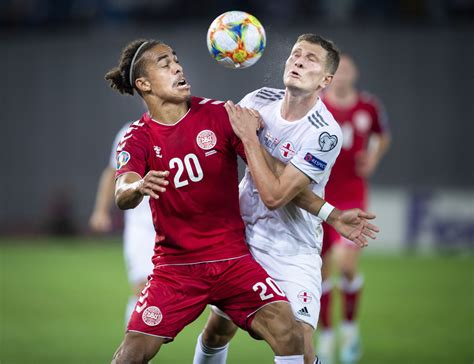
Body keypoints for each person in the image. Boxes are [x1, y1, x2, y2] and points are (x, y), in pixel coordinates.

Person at [105, 39, 377, 364]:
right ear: (144, 84)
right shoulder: (137, 136)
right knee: (135, 353)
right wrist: (136, 189)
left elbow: (278, 185)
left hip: (240, 256)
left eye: (176, 59)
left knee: (292, 336)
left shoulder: (221, 115)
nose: (177, 66)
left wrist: (329, 214)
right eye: (165, 63)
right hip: (178, 268)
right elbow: (123, 189)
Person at [193, 34, 377, 364]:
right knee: (217, 330)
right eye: (295, 54)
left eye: (310, 59)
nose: (298, 61)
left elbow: (276, 194)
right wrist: (333, 215)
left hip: (292, 249)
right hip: (243, 239)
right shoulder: (258, 99)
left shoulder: (324, 132)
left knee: (301, 343)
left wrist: (250, 137)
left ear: (326, 80)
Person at [317, 54, 391, 364]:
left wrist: (374, 157)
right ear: (329, 76)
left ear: (355, 73)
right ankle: (327, 333)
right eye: (338, 70)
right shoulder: (318, 105)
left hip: (352, 196)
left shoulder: (368, 106)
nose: (344, 75)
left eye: (348, 69)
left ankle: (348, 328)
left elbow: (382, 135)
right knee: (320, 271)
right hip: (320, 196)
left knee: (346, 264)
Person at [89, 122, 155, 323]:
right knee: (143, 290)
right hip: (143, 225)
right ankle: (134, 350)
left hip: (183, 225)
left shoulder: (189, 128)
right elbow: (112, 173)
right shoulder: (130, 133)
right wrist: (100, 211)